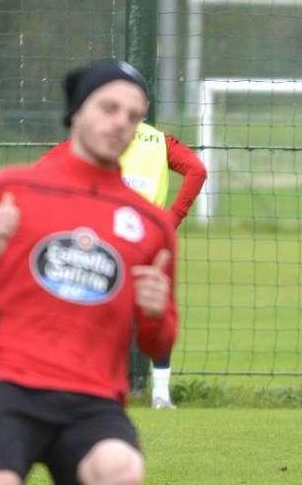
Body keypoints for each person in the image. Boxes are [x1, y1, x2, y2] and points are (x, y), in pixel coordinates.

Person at [0, 59, 178, 485]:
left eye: (133, 116)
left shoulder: (151, 224)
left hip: (93, 396)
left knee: (121, 468)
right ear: (77, 110)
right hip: (9, 384)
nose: (121, 124)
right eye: (109, 108)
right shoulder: (13, 189)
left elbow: (160, 339)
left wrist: (154, 312)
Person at [118, 121, 207, 409]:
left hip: (107, 230)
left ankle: (94, 388)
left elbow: (55, 164)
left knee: (95, 306)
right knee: (156, 310)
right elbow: (198, 170)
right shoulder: (159, 140)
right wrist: (171, 220)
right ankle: (160, 394)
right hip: (150, 236)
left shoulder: (97, 131)